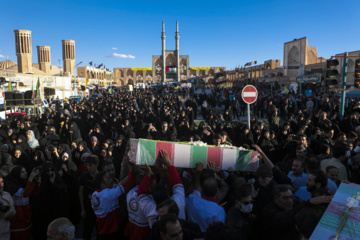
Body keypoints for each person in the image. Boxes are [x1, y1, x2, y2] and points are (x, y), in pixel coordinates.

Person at [91, 165, 135, 239]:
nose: (111, 180)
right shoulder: (108, 194)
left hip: (101, 230)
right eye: (108, 179)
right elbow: (129, 184)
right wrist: (132, 170)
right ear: (102, 184)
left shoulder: (95, 194)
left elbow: (118, 185)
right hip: (111, 231)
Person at [0, 175, 16, 240]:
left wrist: (6, 213)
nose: (1, 185)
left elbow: (12, 212)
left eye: (1, 182)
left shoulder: (7, 195)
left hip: (5, 234)